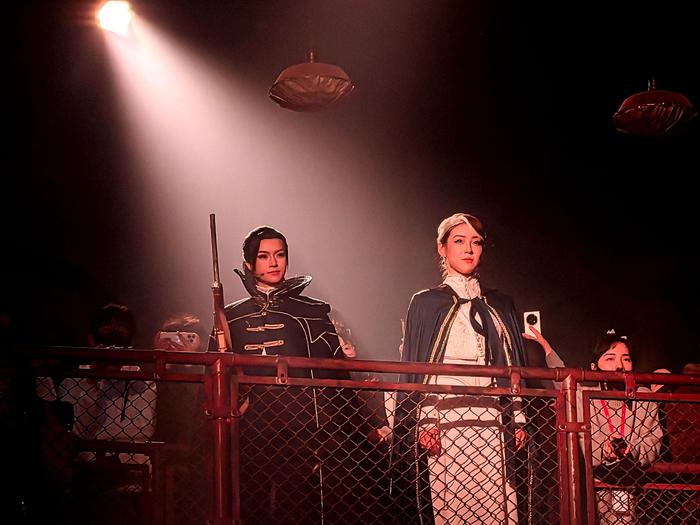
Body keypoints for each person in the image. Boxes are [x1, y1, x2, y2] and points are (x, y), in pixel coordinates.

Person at [211, 226, 358, 525]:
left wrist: (357, 426)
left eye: (279, 255)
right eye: (264, 256)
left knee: (297, 509)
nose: (274, 263)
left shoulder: (312, 311)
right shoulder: (231, 317)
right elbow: (213, 378)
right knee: (249, 508)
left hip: (301, 429)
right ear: (249, 263)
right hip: (249, 431)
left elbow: (337, 373)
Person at [391, 213, 528, 525]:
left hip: (494, 418)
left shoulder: (500, 303)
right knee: (454, 506)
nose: (468, 249)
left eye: (475, 242)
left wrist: (518, 417)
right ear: (442, 248)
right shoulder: (426, 303)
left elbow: (511, 365)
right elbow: (421, 366)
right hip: (447, 419)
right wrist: (426, 421)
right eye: (459, 241)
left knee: (498, 506)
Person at [531, 329, 662, 524]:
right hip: (592, 488)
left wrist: (631, 451)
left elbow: (653, 439)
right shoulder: (585, 395)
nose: (619, 365)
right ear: (594, 367)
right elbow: (563, 379)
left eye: (626, 359)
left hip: (634, 488)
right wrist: (603, 450)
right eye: (610, 358)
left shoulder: (644, 398)